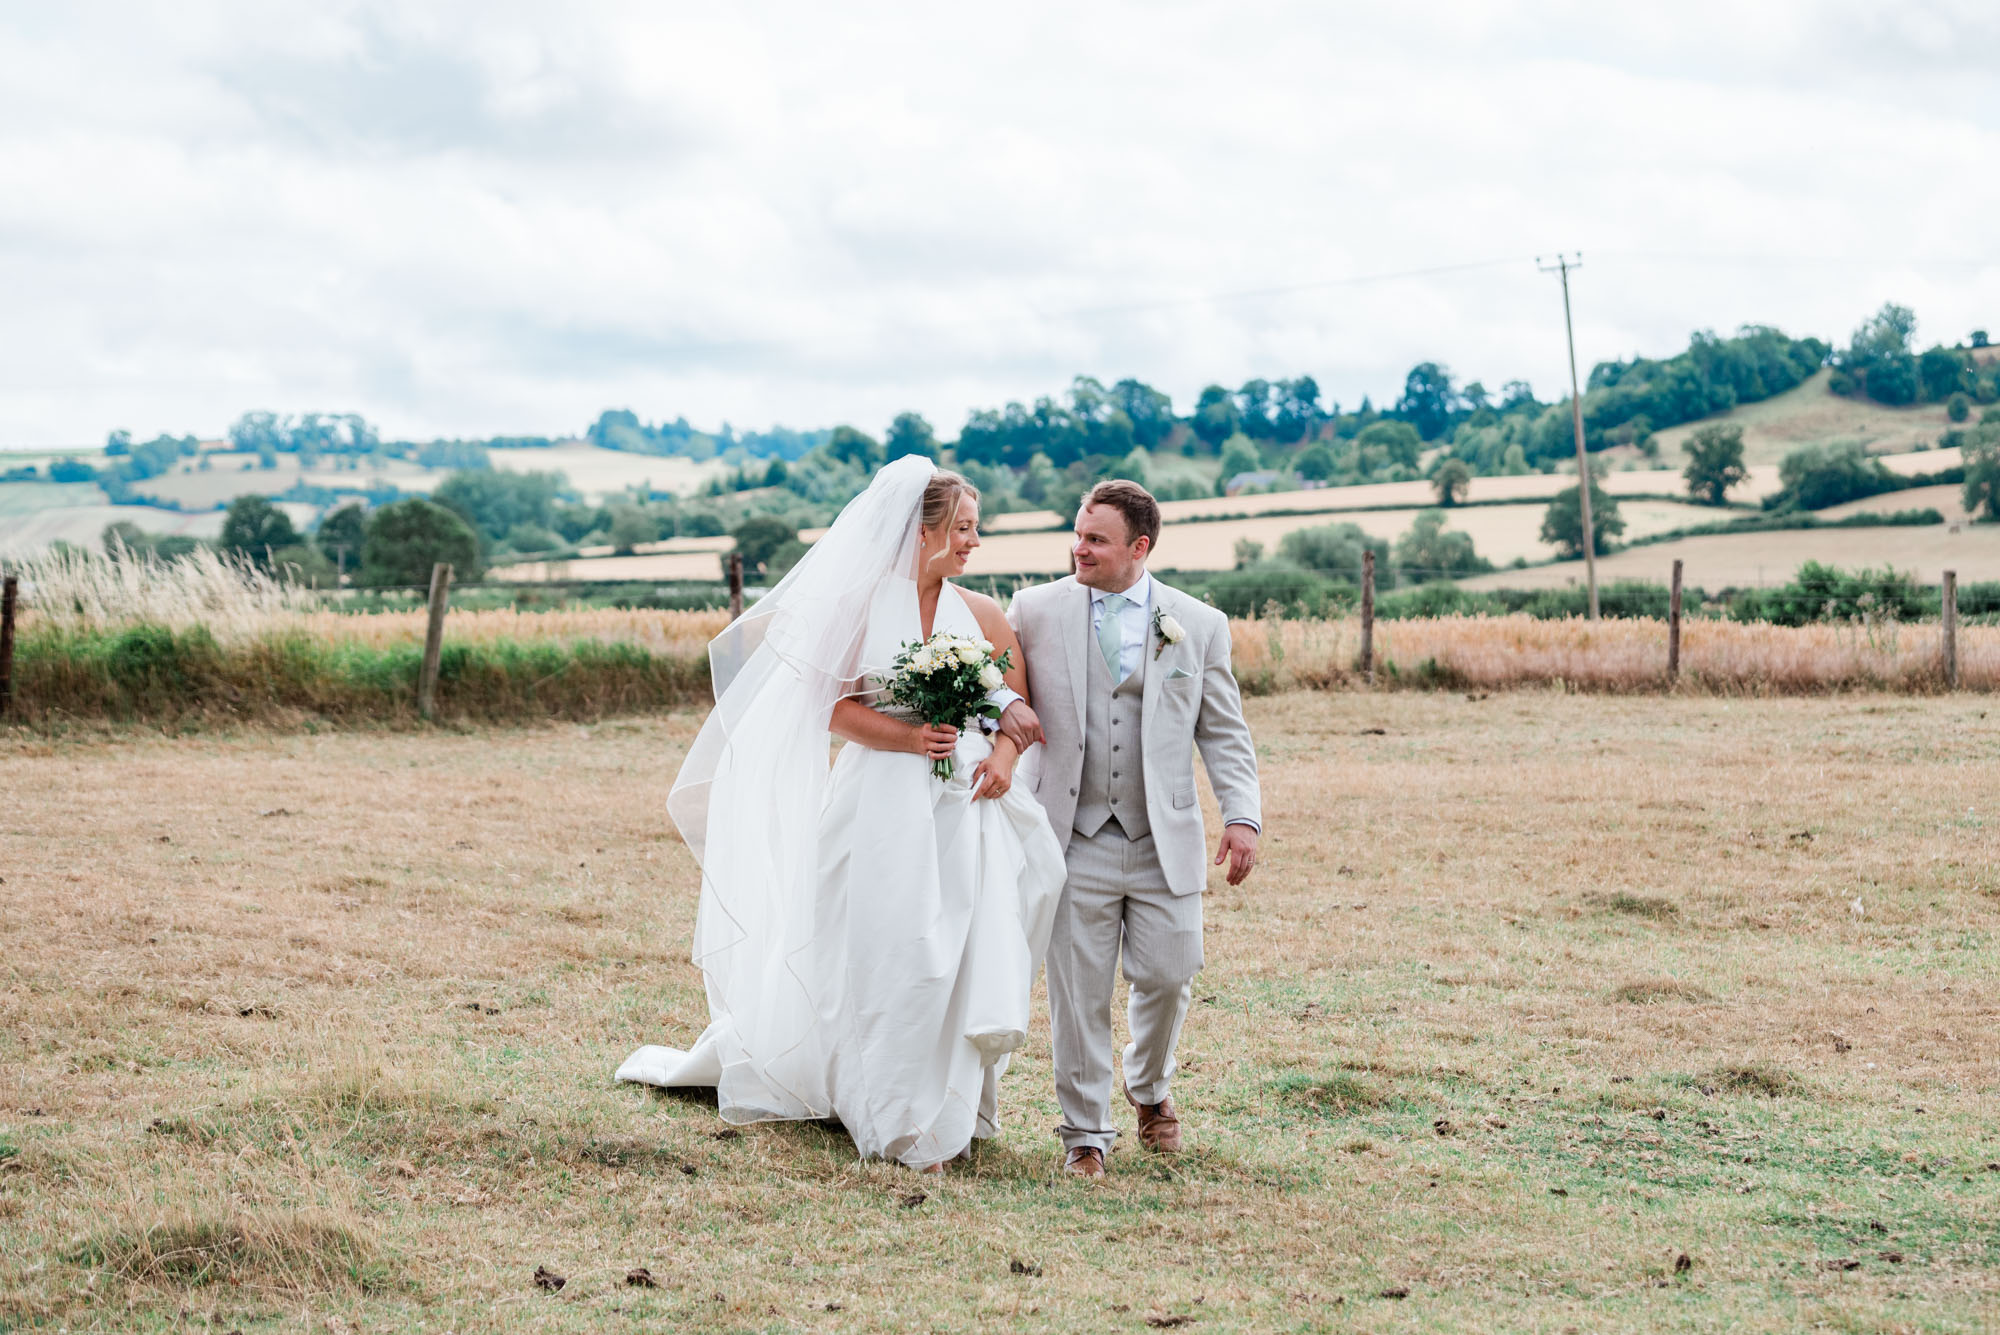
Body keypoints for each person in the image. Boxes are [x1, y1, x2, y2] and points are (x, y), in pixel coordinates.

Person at [616, 458, 1065, 1171]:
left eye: (975, 528)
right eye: (962, 528)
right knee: (888, 948)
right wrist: (911, 739)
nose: (974, 542)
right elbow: (827, 705)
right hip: (878, 799)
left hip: (964, 808)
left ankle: (949, 1106)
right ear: (921, 532)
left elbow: (1017, 708)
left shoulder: (982, 614)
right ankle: (890, 1113)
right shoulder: (858, 610)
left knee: (956, 954)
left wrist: (1005, 756)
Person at [1004, 479, 1262, 1179]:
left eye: (1096, 539)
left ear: (1138, 547)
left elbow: (1224, 731)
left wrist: (1241, 815)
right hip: (1071, 833)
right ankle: (1085, 1133)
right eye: (1078, 533)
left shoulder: (1198, 623)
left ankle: (1148, 1087)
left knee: (1171, 973)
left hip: (1161, 835)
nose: (1079, 548)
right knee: (1078, 995)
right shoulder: (1032, 610)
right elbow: (1001, 694)